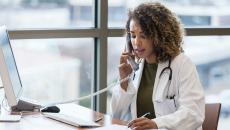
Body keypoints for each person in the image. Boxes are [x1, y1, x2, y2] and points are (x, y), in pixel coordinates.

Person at [111, 2, 205, 130]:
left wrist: (157, 124)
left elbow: (193, 114)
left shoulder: (182, 64)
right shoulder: (135, 67)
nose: (136, 42)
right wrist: (124, 81)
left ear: (159, 36)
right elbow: (117, 114)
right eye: (133, 35)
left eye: (143, 36)